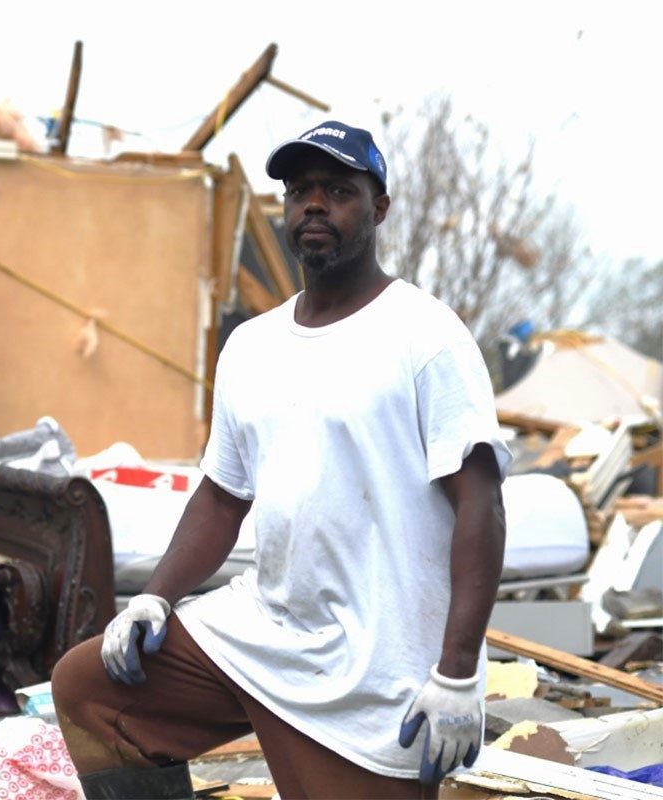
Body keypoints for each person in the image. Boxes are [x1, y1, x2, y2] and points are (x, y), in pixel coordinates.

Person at [52, 120, 512, 800]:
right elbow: (221, 496)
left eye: (338, 190)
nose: (314, 205)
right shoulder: (252, 347)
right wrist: (155, 596)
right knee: (91, 689)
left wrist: (458, 671)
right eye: (300, 191)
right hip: (261, 636)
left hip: (374, 666)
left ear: (379, 207)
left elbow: (481, 503)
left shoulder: (425, 335)